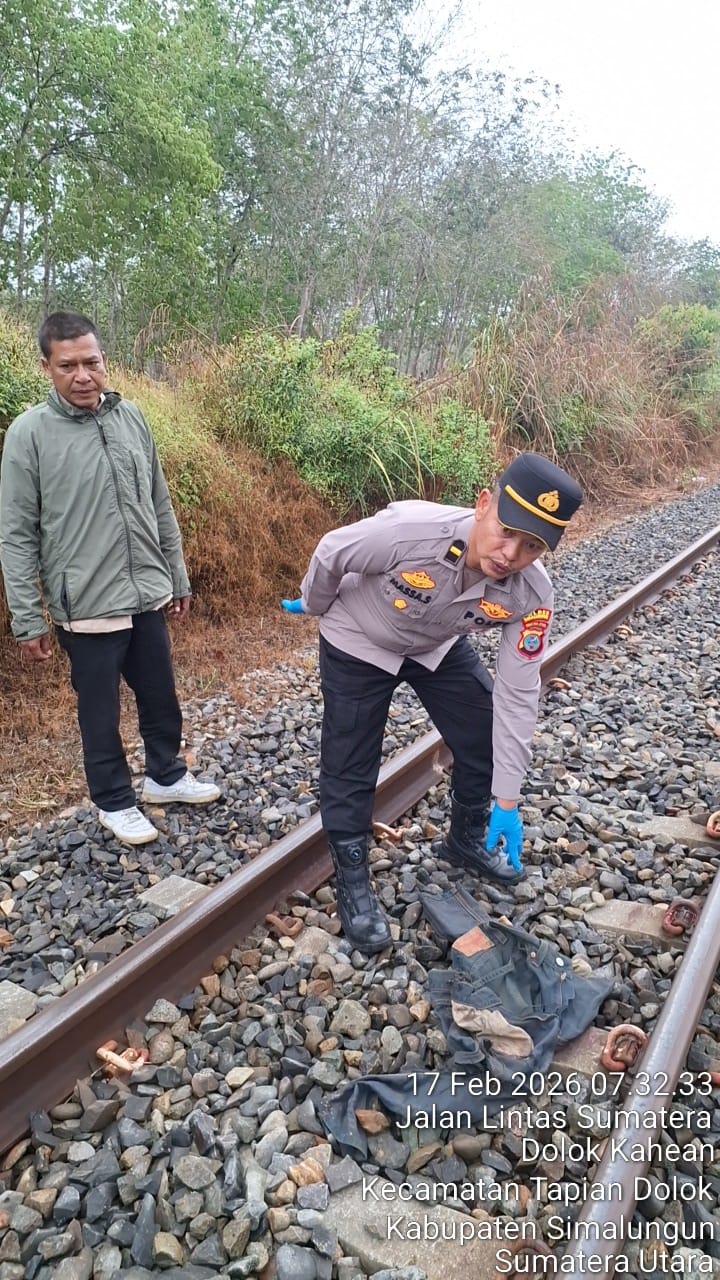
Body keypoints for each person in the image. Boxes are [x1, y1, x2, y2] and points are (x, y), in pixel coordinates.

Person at [281, 453, 583, 954]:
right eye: (506, 531)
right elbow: (333, 551)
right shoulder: (409, 530)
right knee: (351, 758)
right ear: (484, 504)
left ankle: (466, 838)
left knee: (483, 729)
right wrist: (313, 602)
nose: (511, 553)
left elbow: (518, 693)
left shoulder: (533, 594)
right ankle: (353, 881)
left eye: (532, 546)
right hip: (361, 636)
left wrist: (507, 798)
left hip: (434, 644)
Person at [0, 310, 220, 846]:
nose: (82, 375)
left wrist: (178, 577)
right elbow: (16, 533)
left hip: (146, 591)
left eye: (91, 362)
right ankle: (113, 800)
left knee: (160, 695)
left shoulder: (131, 417)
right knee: (100, 709)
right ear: (47, 367)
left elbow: (158, 503)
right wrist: (28, 618)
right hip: (86, 603)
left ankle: (166, 776)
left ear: (105, 360)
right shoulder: (29, 434)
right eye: (67, 365)